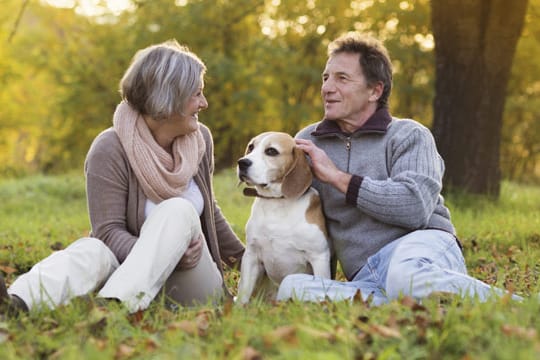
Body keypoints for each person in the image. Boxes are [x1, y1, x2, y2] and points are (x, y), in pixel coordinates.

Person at [0, 40, 245, 315]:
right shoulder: (110, 148)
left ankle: (112, 313)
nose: (204, 103)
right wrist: (165, 254)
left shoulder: (200, 140)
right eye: (196, 94)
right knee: (90, 249)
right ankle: (15, 304)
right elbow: (107, 232)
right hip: (129, 273)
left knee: (178, 208)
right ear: (169, 97)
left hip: (191, 285)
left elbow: (209, 211)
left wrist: (250, 263)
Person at [276, 32, 521, 305]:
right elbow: (302, 219)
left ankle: (522, 307)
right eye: (326, 77)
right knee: (293, 288)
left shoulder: (408, 135)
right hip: (365, 276)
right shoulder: (308, 141)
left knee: (405, 276)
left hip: (420, 249)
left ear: (375, 90)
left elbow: (413, 208)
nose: (327, 88)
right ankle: (405, 303)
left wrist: (335, 177)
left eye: (341, 78)